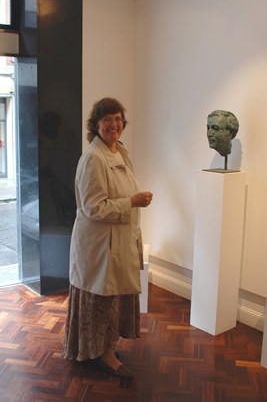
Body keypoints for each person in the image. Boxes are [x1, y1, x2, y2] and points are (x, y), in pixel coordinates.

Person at [62, 97, 153, 378]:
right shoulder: (93, 158)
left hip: (118, 241)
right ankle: (103, 355)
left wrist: (132, 203)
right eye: (107, 120)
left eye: (118, 119)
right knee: (100, 300)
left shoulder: (120, 152)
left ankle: (104, 347)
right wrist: (132, 202)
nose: (114, 125)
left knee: (112, 299)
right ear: (96, 124)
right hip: (99, 246)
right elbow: (93, 207)